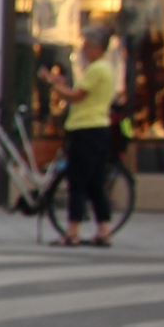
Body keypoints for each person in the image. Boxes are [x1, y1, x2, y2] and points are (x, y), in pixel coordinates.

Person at [41, 28, 119, 247]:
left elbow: (76, 96)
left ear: (97, 47)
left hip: (86, 129)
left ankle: (72, 232)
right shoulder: (107, 68)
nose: (83, 50)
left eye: (86, 46)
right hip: (99, 128)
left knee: (78, 181)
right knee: (94, 182)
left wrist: (54, 84)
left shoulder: (96, 69)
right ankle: (104, 229)